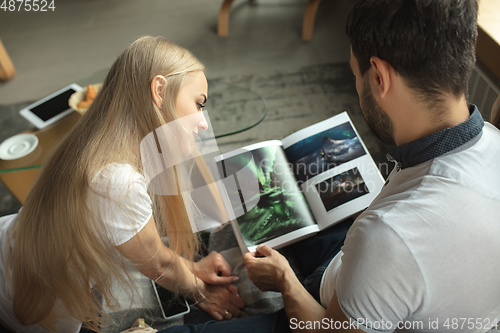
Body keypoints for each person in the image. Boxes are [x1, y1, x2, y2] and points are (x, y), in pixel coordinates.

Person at [157, 0, 500, 332]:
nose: (356, 83)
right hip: (363, 275)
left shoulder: (387, 236)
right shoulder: (492, 141)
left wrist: (286, 283)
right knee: (286, 204)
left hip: (334, 309)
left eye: (355, 74)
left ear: (379, 76)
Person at [0, 36, 244, 333]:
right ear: (160, 90)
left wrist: (192, 269)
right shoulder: (118, 181)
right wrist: (199, 290)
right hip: (24, 302)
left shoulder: (96, 140)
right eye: (198, 103)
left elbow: (150, 252)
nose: (204, 122)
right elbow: (159, 265)